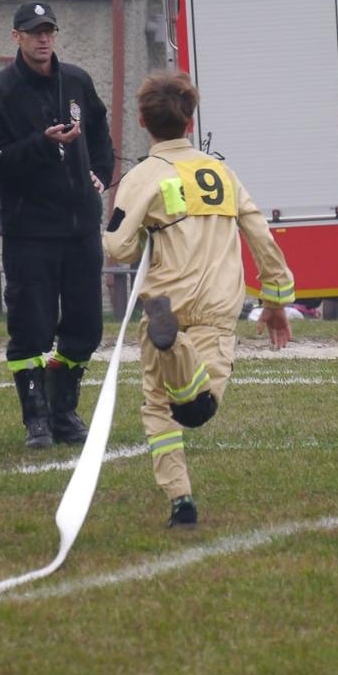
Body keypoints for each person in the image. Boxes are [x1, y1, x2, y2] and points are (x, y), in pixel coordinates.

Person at [104, 73, 294, 527]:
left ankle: (180, 500)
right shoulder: (220, 172)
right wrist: (275, 298)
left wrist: (144, 235)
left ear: (143, 122)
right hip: (217, 305)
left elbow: (117, 247)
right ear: (190, 121)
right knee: (200, 405)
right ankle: (182, 356)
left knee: (158, 404)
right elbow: (259, 233)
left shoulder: (141, 177)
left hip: (163, 300)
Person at [0, 1, 116, 450]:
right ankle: (36, 419)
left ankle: (64, 413)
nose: (43, 39)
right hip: (30, 229)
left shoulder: (76, 80)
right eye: (34, 32)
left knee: (85, 326)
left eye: (49, 31)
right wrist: (41, 144)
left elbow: (98, 128)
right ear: (16, 36)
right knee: (32, 327)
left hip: (79, 227)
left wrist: (100, 170)